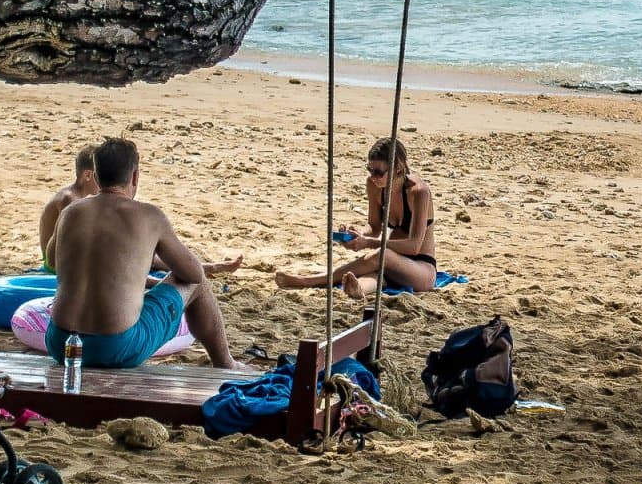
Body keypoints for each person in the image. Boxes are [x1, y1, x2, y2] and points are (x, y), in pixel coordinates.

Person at [47, 138, 245, 370]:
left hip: (61, 344)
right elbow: (192, 273)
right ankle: (226, 363)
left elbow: (52, 260)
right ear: (134, 176)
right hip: (116, 347)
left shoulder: (70, 212)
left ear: (97, 177)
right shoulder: (149, 216)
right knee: (197, 284)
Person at [40, 142, 242, 278]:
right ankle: (211, 267)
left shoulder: (75, 210)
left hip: (63, 328)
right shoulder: (144, 214)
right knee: (188, 280)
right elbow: (192, 275)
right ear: (134, 177)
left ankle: (210, 267)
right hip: (109, 325)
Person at [274, 137, 439, 297]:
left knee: (381, 255)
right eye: (370, 170)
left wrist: (368, 243)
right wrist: (357, 235)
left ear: (397, 168)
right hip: (392, 262)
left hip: (421, 268)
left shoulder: (418, 192)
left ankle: (310, 281)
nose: (373, 177)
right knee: (375, 274)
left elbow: (414, 246)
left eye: (378, 172)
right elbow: (374, 228)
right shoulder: (375, 186)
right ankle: (358, 290)